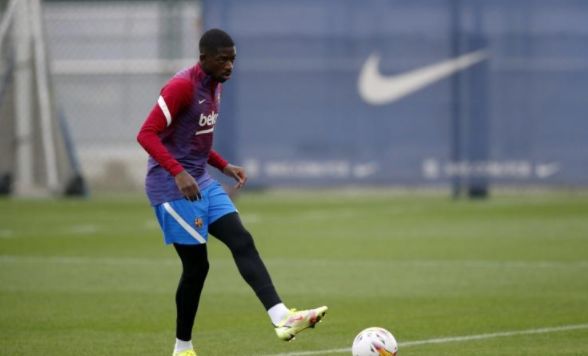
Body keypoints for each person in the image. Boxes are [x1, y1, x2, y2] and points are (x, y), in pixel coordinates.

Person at [136, 28, 327, 356]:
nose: (229, 66)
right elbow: (147, 134)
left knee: (242, 241)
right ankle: (182, 348)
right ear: (203, 59)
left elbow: (194, 139)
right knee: (197, 267)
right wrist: (179, 173)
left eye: (233, 60)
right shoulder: (181, 87)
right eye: (222, 60)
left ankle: (282, 317)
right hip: (172, 189)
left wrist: (223, 166)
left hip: (202, 181)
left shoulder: (215, 86)